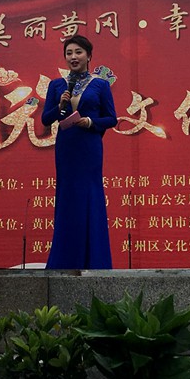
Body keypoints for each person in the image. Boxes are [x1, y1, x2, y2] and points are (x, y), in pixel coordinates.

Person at [41, 35, 117, 269]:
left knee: (89, 197)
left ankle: (95, 260)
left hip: (89, 147)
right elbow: (46, 119)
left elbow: (111, 118)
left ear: (89, 56)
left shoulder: (100, 85)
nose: (73, 57)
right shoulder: (57, 85)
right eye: (69, 53)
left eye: (78, 52)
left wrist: (91, 122)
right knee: (68, 199)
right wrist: (60, 106)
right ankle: (64, 260)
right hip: (67, 147)